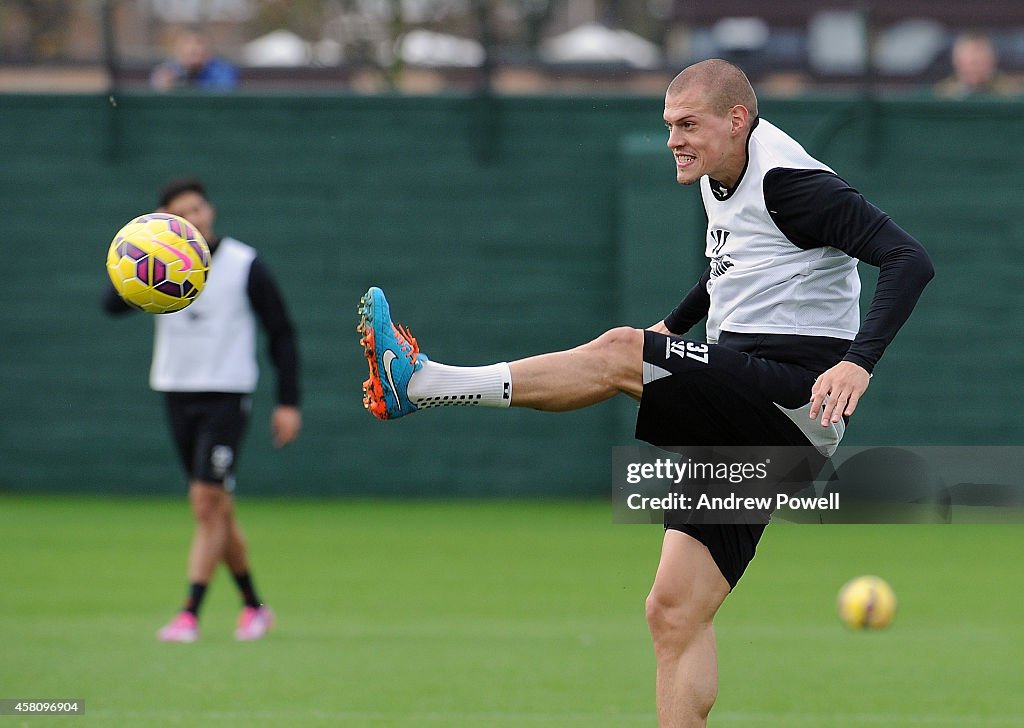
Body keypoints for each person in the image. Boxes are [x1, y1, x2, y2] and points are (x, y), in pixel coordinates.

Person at [356, 59, 933, 726]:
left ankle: (423, 382)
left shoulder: (790, 182)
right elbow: (735, 266)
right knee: (674, 613)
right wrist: (676, 326)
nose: (674, 140)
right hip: (747, 403)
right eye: (668, 126)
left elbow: (908, 258)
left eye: (688, 125)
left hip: (791, 397)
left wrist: (859, 362)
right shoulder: (724, 173)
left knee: (620, 352)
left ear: (737, 119)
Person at [104, 177, 301, 642]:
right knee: (218, 509)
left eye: (199, 207)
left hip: (227, 395)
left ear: (211, 210)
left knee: (205, 503)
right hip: (176, 389)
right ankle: (254, 606)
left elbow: (282, 332)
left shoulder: (243, 263)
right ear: (167, 220)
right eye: (181, 212)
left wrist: (289, 401)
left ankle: (189, 612)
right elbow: (111, 305)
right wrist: (132, 257)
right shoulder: (156, 263)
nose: (195, 217)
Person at [934, 31, 1020, 99]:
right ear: (957, 61)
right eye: (971, 63)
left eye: (980, 62)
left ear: (992, 60)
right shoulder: (942, 94)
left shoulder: (1012, 94)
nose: (975, 69)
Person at [150, 28, 239, 92]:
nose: (193, 48)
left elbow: (223, 95)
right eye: (187, 43)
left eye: (199, 43)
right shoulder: (170, 70)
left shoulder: (222, 71)